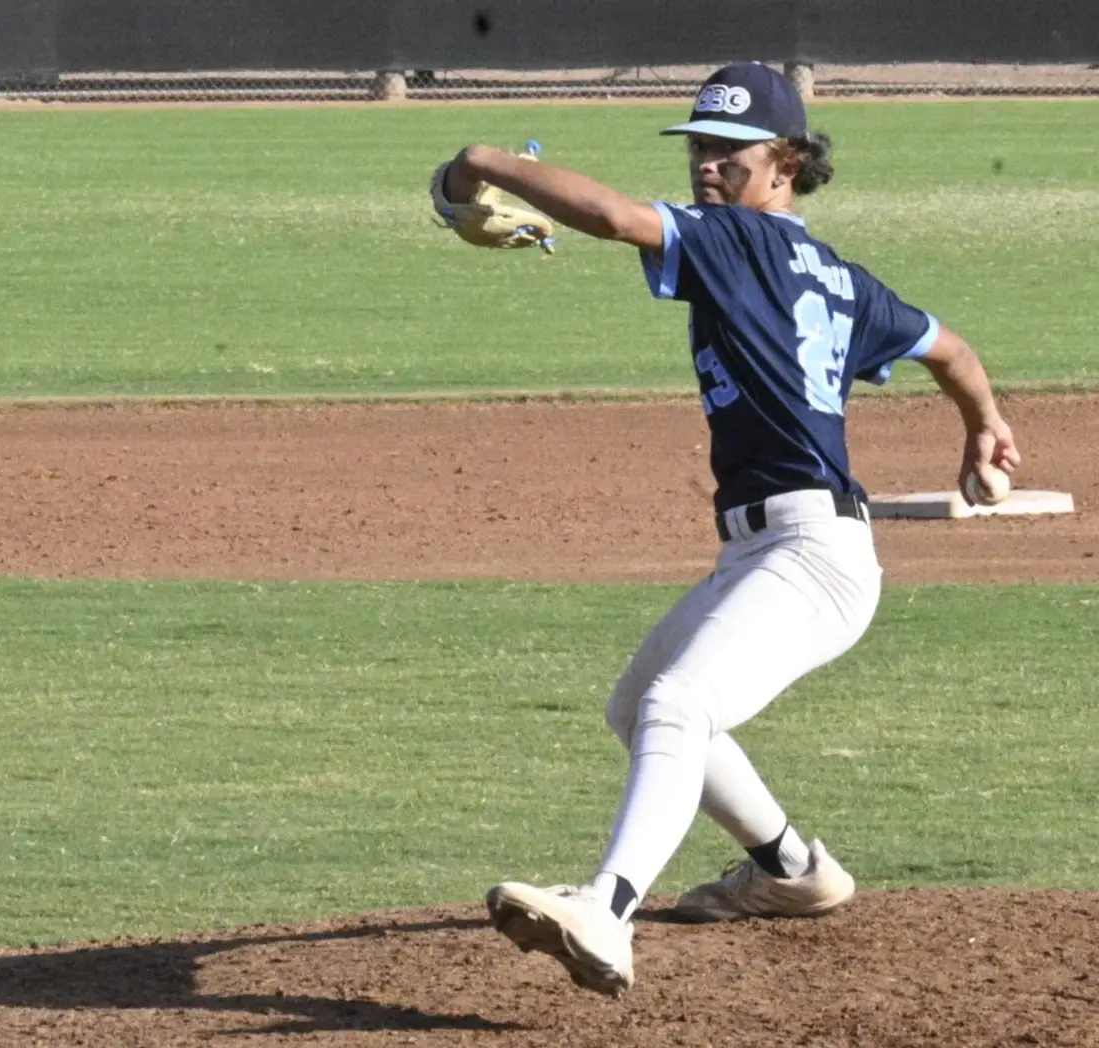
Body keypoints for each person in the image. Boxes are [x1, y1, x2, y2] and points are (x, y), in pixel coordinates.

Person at [437, 62, 1021, 997]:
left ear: (786, 162)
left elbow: (617, 218)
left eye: (729, 152)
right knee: (638, 706)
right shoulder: (839, 276)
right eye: (700, 147)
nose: (707, 164)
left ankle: (607, 910)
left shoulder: (734, 239)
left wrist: (481, 160)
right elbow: (950, 349)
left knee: (677, 705)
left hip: (815, 554)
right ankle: (790, 871)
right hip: (774, 548)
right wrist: (983, 425)